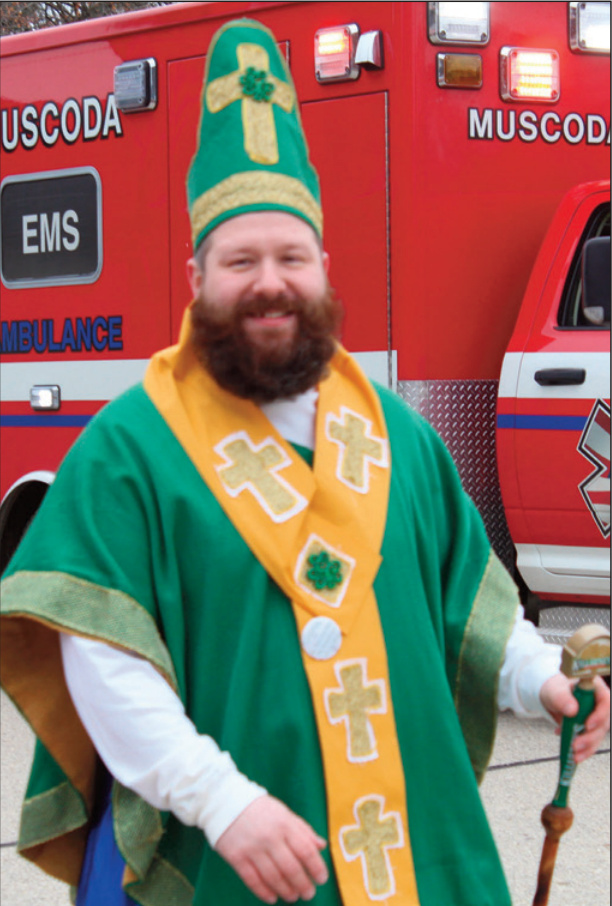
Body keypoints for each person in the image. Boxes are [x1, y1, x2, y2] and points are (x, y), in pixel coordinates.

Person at [0, 18, 608, 906]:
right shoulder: (130, 451)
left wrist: (537, 679)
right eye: (239, 260)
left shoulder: (401, 439)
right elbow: (106, 667)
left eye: (291, 257)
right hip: (231, 856)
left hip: (415, 852)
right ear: (196, 275)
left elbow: (465, 605)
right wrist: (223, 802)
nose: (269, 282)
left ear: (325, 269)